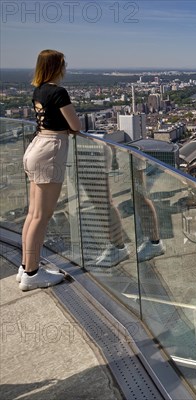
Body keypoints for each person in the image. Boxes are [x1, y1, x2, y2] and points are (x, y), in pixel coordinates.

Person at [18, 49, 81, 291]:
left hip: (36, 147)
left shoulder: (39, 90)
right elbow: (74, 125)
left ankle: (26, 266)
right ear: (57, 66)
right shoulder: (58, 92)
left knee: (33, 214)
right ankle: (32, 274)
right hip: (50, 151)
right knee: (41, 217)